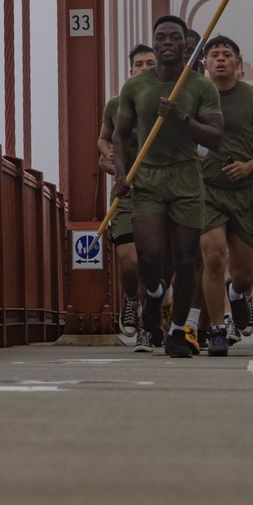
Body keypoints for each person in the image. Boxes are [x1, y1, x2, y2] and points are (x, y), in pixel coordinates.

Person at [112, 16, 224, 358]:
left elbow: (216, 137)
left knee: (187, 260)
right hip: (148, 177)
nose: (167, 43)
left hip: (186, 177)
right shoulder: (136, 87)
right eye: (161, 37)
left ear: (184, 44)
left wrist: (182, 118)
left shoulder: (200, 87)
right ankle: (156, 292)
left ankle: (176, 331)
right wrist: (121, 173)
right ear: (155, 41)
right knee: (150, 255)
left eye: (174, 37)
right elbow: (118, 135)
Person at [198, 36, 253, 355]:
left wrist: (250, 167)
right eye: (214, 55)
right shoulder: (194, 98)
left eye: (227, 54)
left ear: (238, 64)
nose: (221, 59)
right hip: (207, 190)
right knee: (214, 256)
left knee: (244, 275)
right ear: (205, 63)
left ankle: (237, 296)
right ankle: (220, 328)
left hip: (246, 193)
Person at [98, 43, 156, 347]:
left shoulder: (169, 103)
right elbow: (103, 143)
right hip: (126, 192)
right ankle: (131, 299)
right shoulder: (117, 104)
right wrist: (115, 167)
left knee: (151, 260)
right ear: (130, 70)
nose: (144, 69)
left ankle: (148, 322)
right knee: (129, 259)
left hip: (158, 192)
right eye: (139, 64)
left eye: (151, 64)